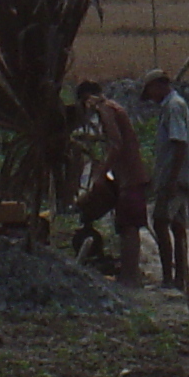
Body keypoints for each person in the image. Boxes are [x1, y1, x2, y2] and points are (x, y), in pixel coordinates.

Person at [71, 79, 147, 285]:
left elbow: (115, 143)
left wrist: (99, 175)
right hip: (129, 175)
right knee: (126, 226)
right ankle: (130, 274)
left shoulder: (105, 108)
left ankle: (130, 277)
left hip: (129, 177)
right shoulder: (114, 108)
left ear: (88, 99)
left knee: (129, 226)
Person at [142, 68, 189, 289]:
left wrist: (171, 179)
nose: (151, 98)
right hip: (180, 177)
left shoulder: (173, 107)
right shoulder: (176, 105)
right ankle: (180, 278)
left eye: (151, 92)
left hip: (173, 179)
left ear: (158, 86)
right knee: (178, 226)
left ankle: (168, 279)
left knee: (161, 222)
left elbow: (179, 143)